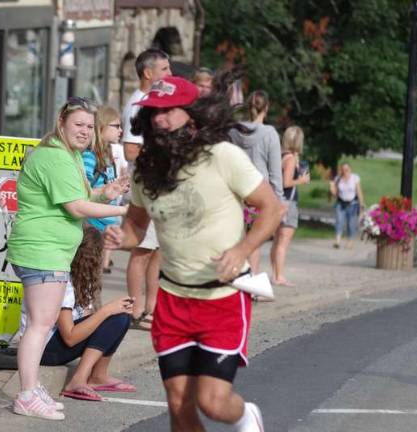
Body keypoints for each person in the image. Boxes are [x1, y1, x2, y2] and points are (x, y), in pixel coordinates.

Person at [104, 74, 281, 432]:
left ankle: (247, 416)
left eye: (170, 110)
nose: (160, 118)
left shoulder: (222, 157)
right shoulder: (146, 173)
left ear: (192, 114)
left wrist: (243, 248)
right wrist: (118, 237)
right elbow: (136, 228)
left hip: (223, 299)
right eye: (154, 111)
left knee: (212, 402)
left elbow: (272, 208)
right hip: (173, 300)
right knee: (179, 406)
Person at [6, 97, 127, 420]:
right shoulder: (55, 157)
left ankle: (32, 389)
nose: (85, 131)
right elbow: (75, 207)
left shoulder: (69, 155)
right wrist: (124, 209)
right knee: (40, 326)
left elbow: (81, 196)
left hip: (51, 251)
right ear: (61, 122)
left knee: (40, 325)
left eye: (90, 126)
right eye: (79, 125)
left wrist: (107, 192)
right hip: (42, 250)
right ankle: (27, 394)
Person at [19, 227, 135, 402]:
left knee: (120, 317)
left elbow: (88, 320)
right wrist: (107, 310)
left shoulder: (82, 278)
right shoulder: (62, 281)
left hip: (57, 343)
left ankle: (98, 376)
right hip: (42, 351)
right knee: (111, 315)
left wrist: (112, 312)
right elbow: (70, 337)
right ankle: (78, 380)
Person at [121, 48, 172, 329]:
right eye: (164, 69)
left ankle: (151, 309)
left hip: (159, 185)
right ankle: (134, 308)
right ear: (148, 73)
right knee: (142, 250)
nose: (170, 75)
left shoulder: (154, 102)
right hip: (146, 186)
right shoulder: (139, 104)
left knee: (156, 249)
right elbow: (130, 150)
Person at [229, 90, 284, 274]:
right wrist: (279, 202)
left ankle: (235, 279)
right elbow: (275, 173)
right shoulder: (270, 134)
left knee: (235, 239)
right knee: (254, 242)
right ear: (266, 108)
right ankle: (251, 284)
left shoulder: (234, 130)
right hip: (259, 194)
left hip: (235, 192)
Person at [83, 106, 128, 273]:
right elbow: (83, 189)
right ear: (101, 127)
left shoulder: (107, 154)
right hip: (92, 226)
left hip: (103, 224)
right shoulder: (90, 156)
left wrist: (117, 187)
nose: (121, 130)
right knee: (88, 277)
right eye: (116, 126)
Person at [270, 126, 310, 287]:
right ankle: (279, 276)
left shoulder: (282, 157)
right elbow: (286, 183)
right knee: (282, 242)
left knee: (277, 241)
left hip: (277, 201)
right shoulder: (290, 160)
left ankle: (275, 273)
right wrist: (302, 180)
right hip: (288, 203)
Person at [330, 162, 365, 249]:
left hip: (352, 204)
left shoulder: (355, 178)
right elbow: (335, 194)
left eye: (346, 170)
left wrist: (361, 205)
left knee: (351, 224)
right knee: (339, 221)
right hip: (341, 203)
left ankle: (350, 241)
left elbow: (359, 192)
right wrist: (332, 188)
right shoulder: (338, 179)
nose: (345, 171)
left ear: (350, 170)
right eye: (343, 170)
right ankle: (337, 241)